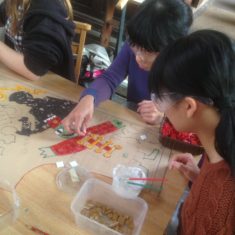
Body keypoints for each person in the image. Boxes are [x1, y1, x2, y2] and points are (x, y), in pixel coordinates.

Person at [149, 29, 235, 234]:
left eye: (162, 99)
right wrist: (200, 179)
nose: (162, 109)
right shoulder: (219, 142)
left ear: (189, 107)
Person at [62, 0, 192, 135]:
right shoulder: (136, 44)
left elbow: (194, 119)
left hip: (166, 136)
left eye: (147, 51)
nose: (138, 57)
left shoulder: (188, 68)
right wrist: (89, 98)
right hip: (133, 123)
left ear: (171, 49)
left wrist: (165, 116)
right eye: (135, 46)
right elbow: (110, 78)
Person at [0, 0, 75, 81]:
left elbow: (33, 70)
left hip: (51, 86)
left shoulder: (48, 6)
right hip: (19, 78)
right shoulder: (16, 2)